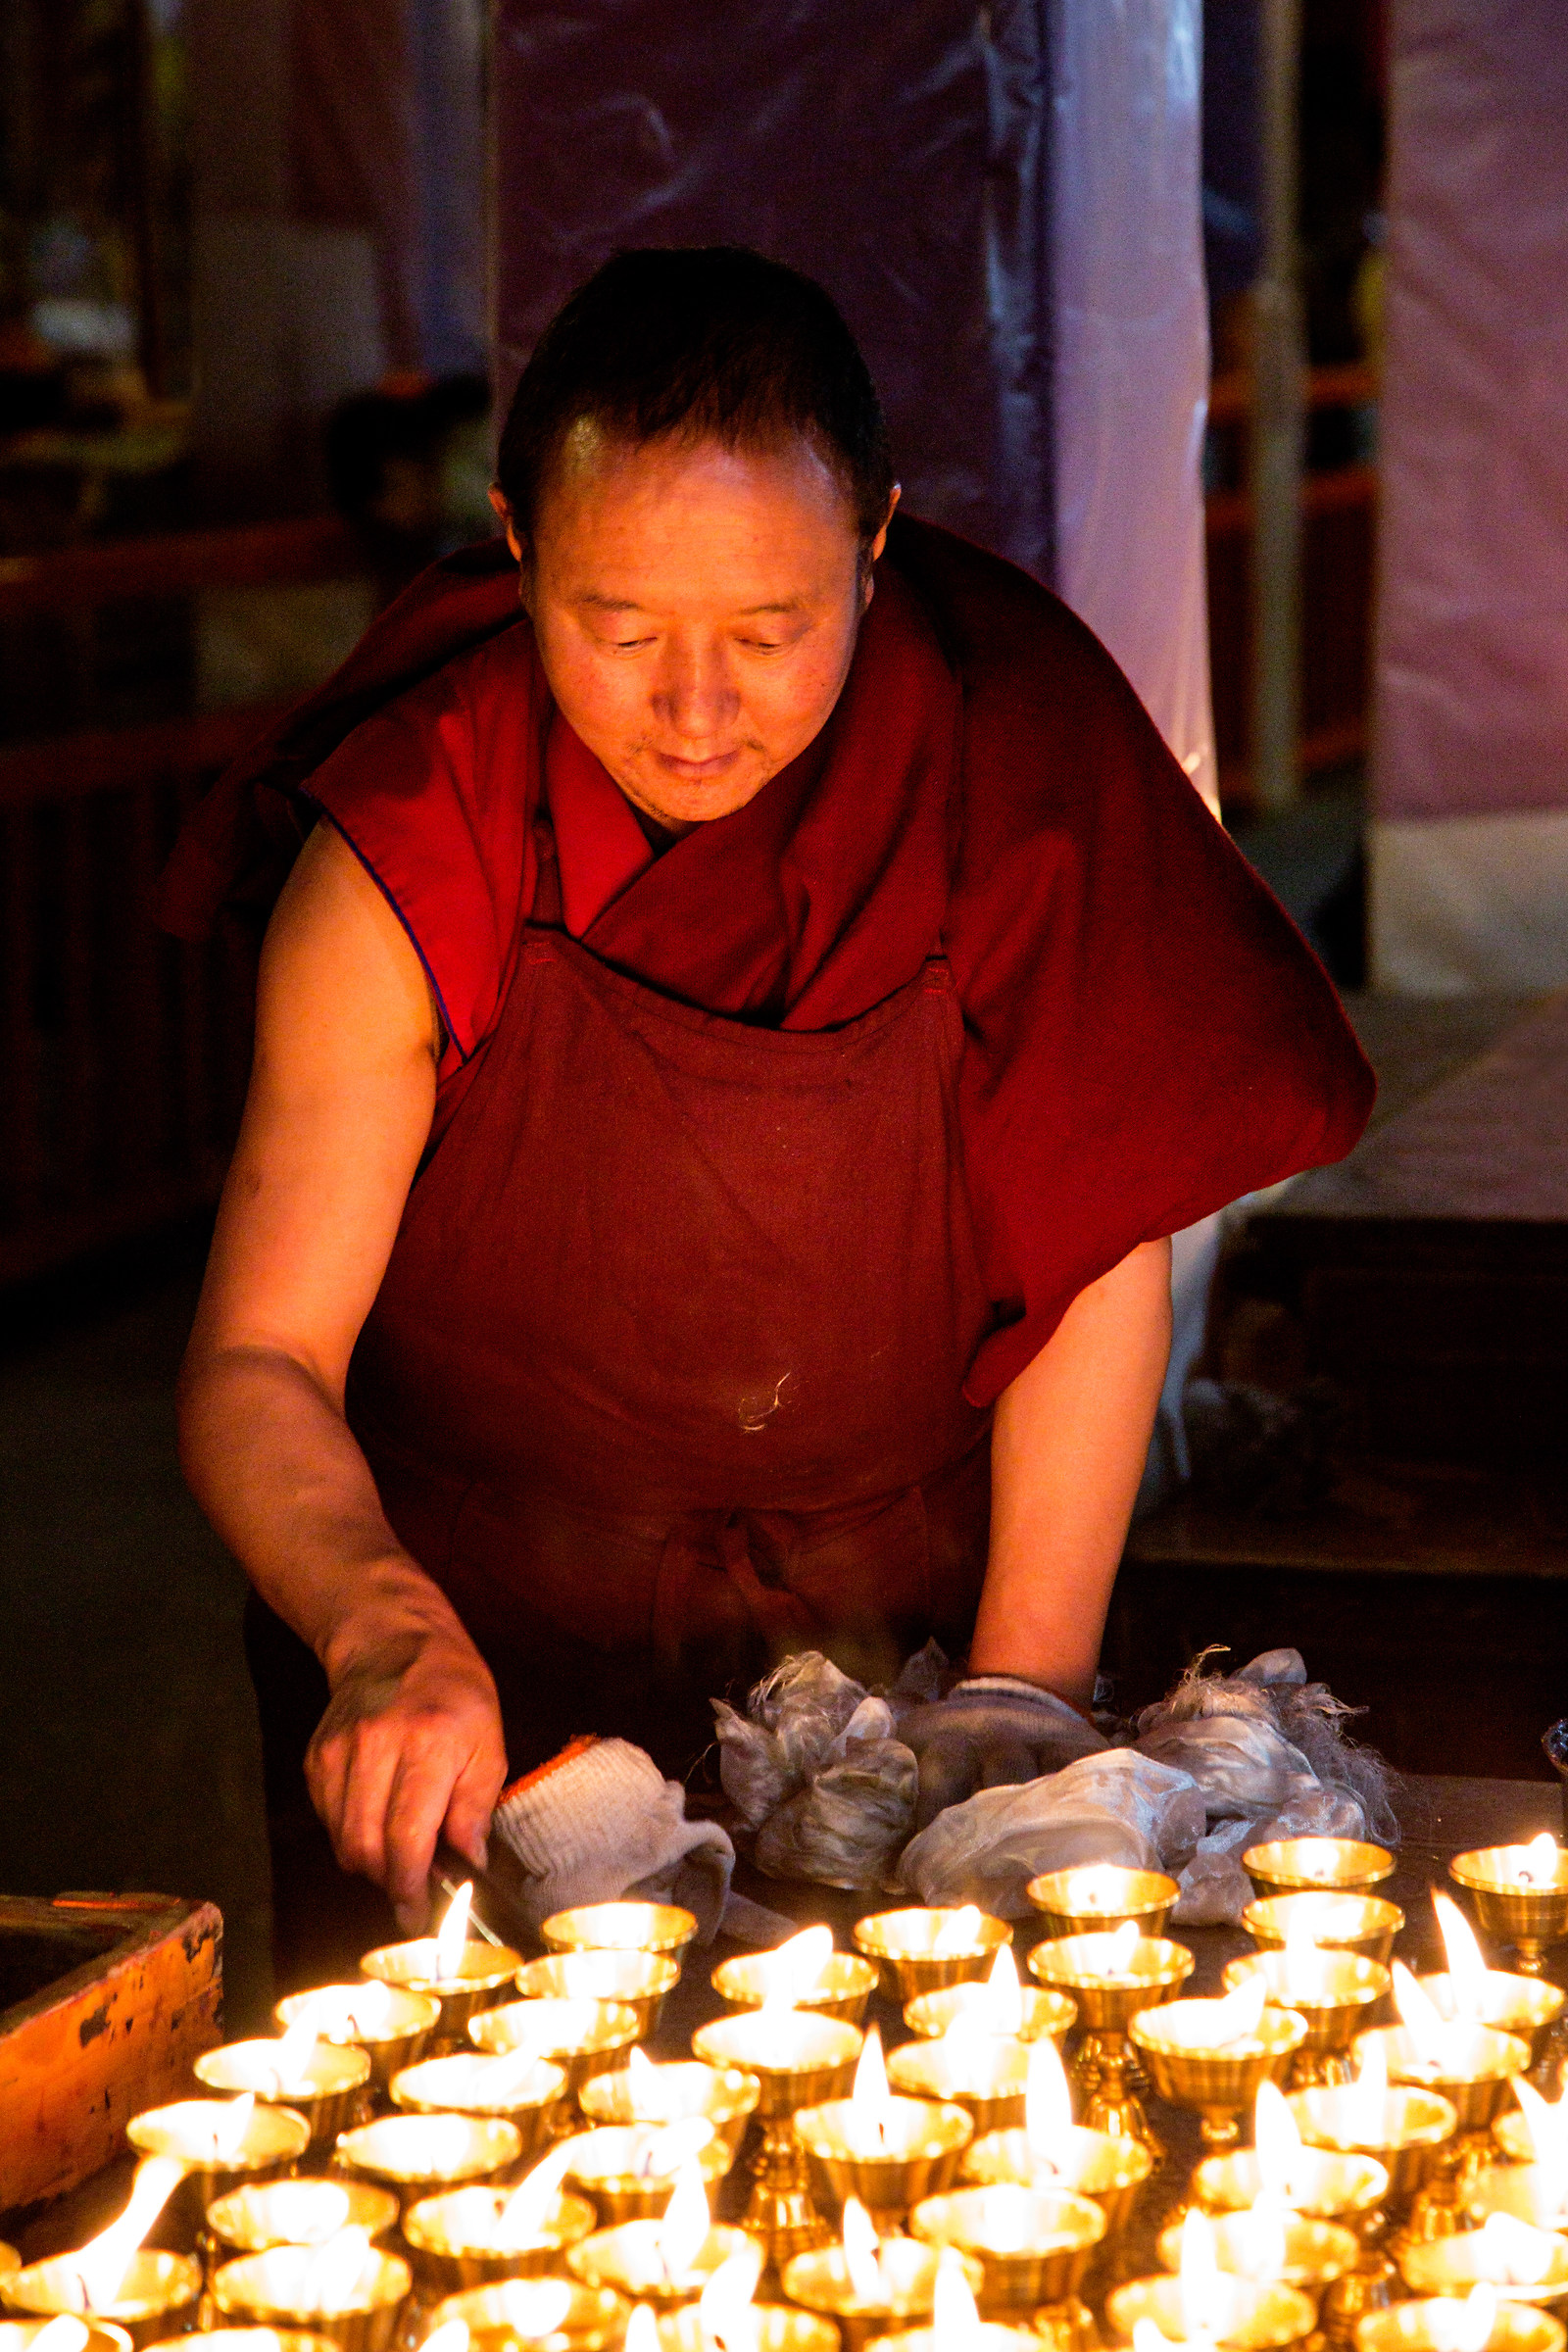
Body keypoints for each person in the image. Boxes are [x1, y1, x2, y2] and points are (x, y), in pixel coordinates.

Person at [165, 248, 1372, 1975]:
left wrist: (1021, 1701)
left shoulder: (1010, 757)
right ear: (517, 544)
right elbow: (260, 1357)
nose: (697, 709)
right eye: (620, 625)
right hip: (475, 1677)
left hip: (900, 1676)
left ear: (877, 545)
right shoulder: (421, 832)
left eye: (772, 629)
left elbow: (1093, 1234)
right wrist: (379, 1630)